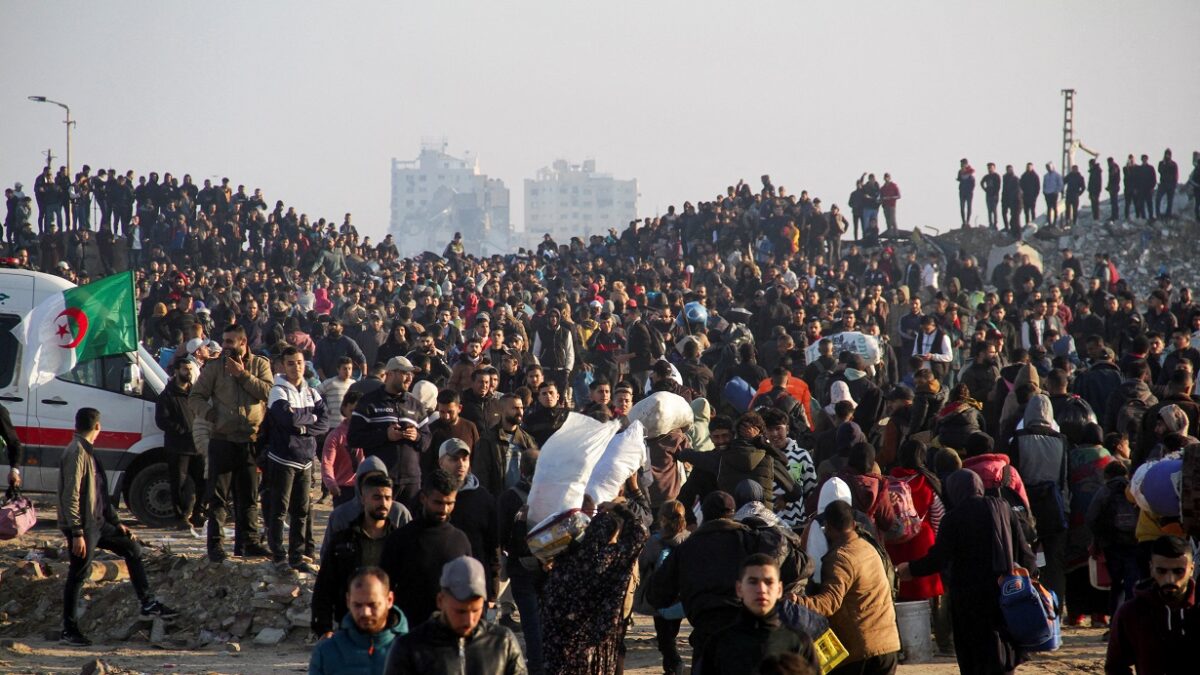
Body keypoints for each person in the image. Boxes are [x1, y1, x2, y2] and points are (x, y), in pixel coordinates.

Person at [899, 469, 1038, 675]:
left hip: (968, 598)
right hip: (1003, 591)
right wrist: (1032, 576)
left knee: (974, 654)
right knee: (1001, 647)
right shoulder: (1002, 507)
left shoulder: (954, 518)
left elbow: (939, 558)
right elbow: (1023, 548)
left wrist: (910, 569)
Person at [58, 408, 178, 646]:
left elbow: (100, 493)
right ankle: (69, 630)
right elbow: (70, 495)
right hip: (84, 526)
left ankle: (148, 604)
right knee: (79, 573)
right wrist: (76, 532)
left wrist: (117, 522)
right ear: (98, 427)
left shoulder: (88, 451)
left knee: (132, 549)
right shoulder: (77, 453)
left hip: (99, 523)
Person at [189, 323, 274, 562]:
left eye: (230, 342)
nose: (225, 346)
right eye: (223, 341)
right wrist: (211, 415)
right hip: (222, 440)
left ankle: (248, 543)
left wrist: (242, 375)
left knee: (247, 497)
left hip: (250, 441)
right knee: (217, 498)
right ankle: (215, 546)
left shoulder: (259, 365)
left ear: (243, 343)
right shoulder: (215, 368)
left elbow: (269, 392)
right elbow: (195, 397)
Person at [541, 493, 649, 675]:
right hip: (593, 650)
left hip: (558, 652)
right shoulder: (609, 561)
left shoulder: (561, 564)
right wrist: (619, 509)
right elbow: (640, 533)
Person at [793, 501, 900, 675]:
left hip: (863, 652)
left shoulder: (840, 558)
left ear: (828, 527)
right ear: (853, 523)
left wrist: (796, 601)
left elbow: (829, 603)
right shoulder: (868, 547)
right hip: (888, 644)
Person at [383, 556, 526, 675]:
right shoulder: (410, 649)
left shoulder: (503, 643)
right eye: (460, 611)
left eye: (476, 611)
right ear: (440, 601)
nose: (469, 620)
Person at [379, 468, 471, 626]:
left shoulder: (460, 540)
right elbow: (384, 586)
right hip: (407, 631)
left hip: (448, 632)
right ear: (423, 498)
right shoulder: (401, 539)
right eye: (438, 502)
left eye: (450, 503)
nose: (444, 509)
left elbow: (468, 588)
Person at [265, 346, 330, 571]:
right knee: (279, 510)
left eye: (300, 362)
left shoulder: (311, 392)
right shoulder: (278, 391)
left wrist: (303, 424)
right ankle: (278, 556)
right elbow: (286, 420)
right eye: (291, 363)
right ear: (283, 365)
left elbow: (324, 421)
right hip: (283, 459)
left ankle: (297, 556)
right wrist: (309, 421)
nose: (296, 367)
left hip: (306, 459)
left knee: (301, 511)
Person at [701, 553, 819, 675]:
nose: (761, 589)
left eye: (768, 582)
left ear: (779, 589)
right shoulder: (719, 643)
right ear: (739, 589)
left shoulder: (799, 642)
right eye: (753, 582)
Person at [311, 474, 398, 637]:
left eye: (387, 498)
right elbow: (325, 586)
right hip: (349, 628)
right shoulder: (343, 541)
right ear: (363, 499)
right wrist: (323, 628)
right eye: (377, 497)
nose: (383, 503)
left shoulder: (400, 542)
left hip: (389, 631)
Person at [1105, 535, 1199, 675]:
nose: (1170, 579)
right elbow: (1116, 666)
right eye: (1161, 571)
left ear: (1192, 569)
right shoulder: (1131, 612)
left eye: (1178, 571)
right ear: (1151, 568)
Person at [348, 356, 430, 507]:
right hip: (380, 480)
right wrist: (385, 435)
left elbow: (426, 441)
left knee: (408, 527)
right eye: (405, 373)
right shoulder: (369, 401)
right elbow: (353, 438)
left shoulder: (416, 405)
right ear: (390, 374)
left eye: (412, 374)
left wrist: (416, 436)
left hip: (411, 481)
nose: (410, 378)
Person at [309, 567, 408, 675]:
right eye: (358, 605)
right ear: (348, 601)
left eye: (372, 605)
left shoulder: (413, 651)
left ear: (389, 600)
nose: (365, 612)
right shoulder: (326, 652)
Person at [438, 438, 500, 606]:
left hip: (475, 584)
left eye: (464, 459)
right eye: (454, 459)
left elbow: (492, 545)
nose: (460, 464)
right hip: (440, 586)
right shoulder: (430, 497)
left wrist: (493, 586)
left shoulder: (483, 498)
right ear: (441, 462)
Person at [637, 501, 691, 675]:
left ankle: (675, 664)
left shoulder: (655, 541)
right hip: (680, 594)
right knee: (671, 632)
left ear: (662, 519)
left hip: (659, 594)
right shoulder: (689, 538)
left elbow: (642, 564)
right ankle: (672, 668)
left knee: (663, 636)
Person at [154, 357, 205, 533]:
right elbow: (162, 420)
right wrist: (183, 428)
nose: (188, 372)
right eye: (185, 369)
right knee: (179, 484)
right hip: (178, 446)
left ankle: (198, 513)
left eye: (190, 369)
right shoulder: (167, 396)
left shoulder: (196, 394)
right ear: (176, 371)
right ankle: (181, 517)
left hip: (198, 445)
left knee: (203, 481)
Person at [472, 394, 537, 498]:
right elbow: (481, 476)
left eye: (521, 408)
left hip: (523, 501)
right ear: (502, 410)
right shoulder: (488, 440)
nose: (520, 412)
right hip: (498, 502)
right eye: (515, 408)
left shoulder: (528, 440)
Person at [322, 390, 366, 507]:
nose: (356, 415)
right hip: (343, 490)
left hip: (366, 488)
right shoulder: (336, 435)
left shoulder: (370, 433)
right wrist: (331, 483)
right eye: (352, 411)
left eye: (359, 411)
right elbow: (327, 462)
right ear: (344, 409)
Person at [957, 159, 975, 228]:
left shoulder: (970, 171)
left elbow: (973, 182)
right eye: (961, 164)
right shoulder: (960, 172)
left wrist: (970, 190)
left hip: (969, 192)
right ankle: (964, 222)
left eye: (962, 164)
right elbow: (959, 179)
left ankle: (967, 222)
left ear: (966, 164)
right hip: (962, 192)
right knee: (962, 207)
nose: (961, 165)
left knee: (969, 207)